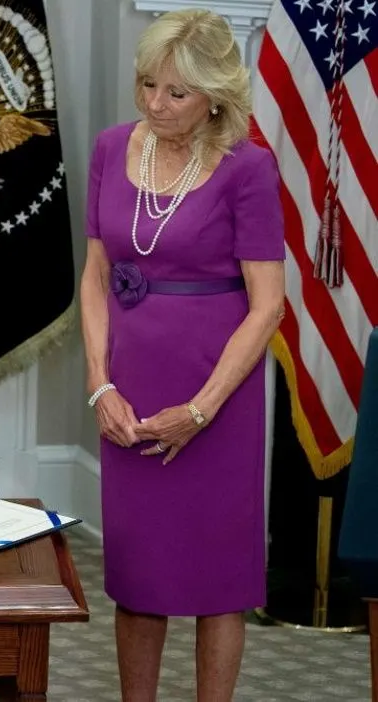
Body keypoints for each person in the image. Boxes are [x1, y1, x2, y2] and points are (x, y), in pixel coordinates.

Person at [79, 9, 285, 702]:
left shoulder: (249, 169)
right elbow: (95, 275)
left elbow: (267, 306)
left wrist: (201, 409)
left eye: (175, 93)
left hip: (217, 395)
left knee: (217, 584)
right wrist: (98, 385)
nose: (153, 104)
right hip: (130, 389)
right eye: (146, 85)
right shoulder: (111, 148)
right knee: (139, 577)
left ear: (215, 96)